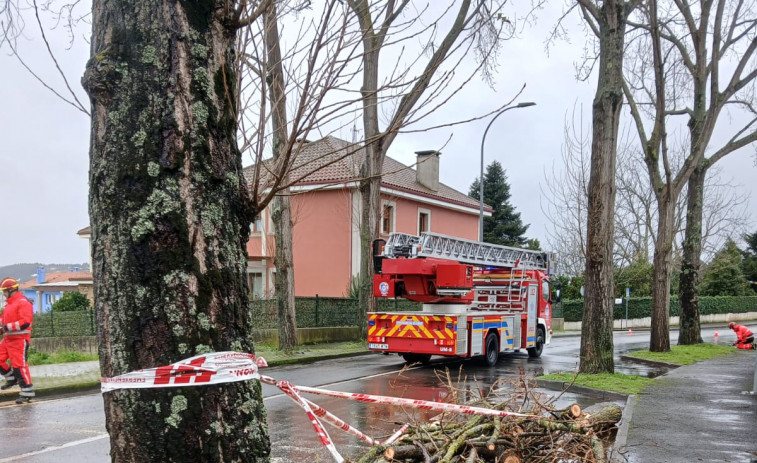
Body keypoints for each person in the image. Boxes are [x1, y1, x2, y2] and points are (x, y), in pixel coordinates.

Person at [0, 277, 35, 403]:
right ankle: (11, 379)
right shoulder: (9, 304)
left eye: (4, 291)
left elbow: (25, 322)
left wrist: (5, 328)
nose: (3, 294)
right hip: (8, 338)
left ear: (11, 290)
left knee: (19, 366)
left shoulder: (23, 302)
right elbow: (4, 320)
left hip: (19, 340)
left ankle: (27, 392)